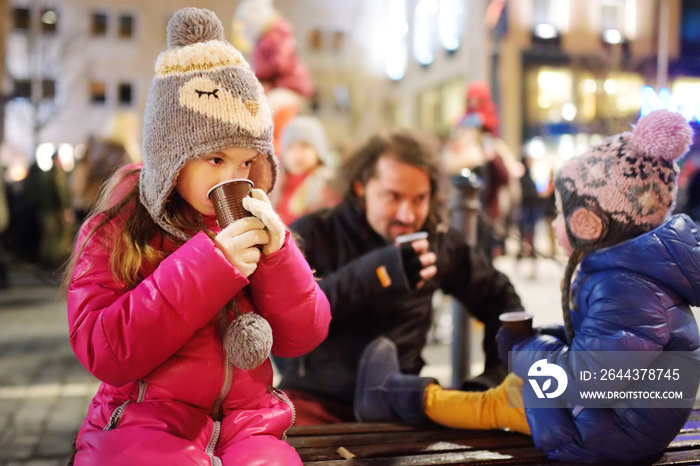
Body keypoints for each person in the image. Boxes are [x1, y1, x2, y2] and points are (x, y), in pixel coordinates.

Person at [61, 8, 331, 465]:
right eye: (215, 159)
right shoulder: (119, 227)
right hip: (143, 420)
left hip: (249, 421)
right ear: (172, 154)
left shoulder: (252, 220)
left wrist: (280, 255)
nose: (235, 177)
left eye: (248, 163)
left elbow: (303, 336)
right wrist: (212, 266)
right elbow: (105, 349)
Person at [354, 109, 700, 463]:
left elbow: (591, 380)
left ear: (589, 223)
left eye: (560, 214)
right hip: (622, 420)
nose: (553, 225)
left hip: (608, 435)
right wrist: (540, 340)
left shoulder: (626, 289)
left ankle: (392, 396)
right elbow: (603, 352)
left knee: (499, 401)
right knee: (509, 391)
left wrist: (526, 347)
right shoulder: (630, 275)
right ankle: (397, 395)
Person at [273, 128, 523, 425]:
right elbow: (284, 320)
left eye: (419, 199)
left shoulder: (435, 241)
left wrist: (492, 379)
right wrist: (377, 272)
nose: (406, 215)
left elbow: (501, 301)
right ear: (360, 187)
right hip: (315, 400)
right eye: (392, 197)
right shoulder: (316, 232)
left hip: (396, 406)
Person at [272, 115, 340, 225]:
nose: (296, 154)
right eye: (290, 147)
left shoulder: (327, 186)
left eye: (304, 146)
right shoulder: (276, 184)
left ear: (318, 150)